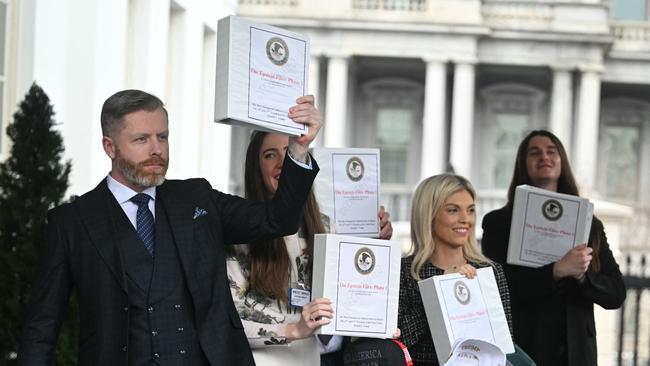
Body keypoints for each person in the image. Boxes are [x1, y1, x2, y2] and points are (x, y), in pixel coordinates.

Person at [17, 90, 322, 365]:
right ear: (110, 147)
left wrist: (298, 149)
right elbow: (42, 327)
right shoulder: (71, 222)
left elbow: (278, 219)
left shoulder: (197, 198)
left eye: (162, 137)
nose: (157, 150)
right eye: (141, 139)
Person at [226, 131, 394, 365]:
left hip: (318, 358)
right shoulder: (238, 230)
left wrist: (375, 247)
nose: (282, 163)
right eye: (269, 155)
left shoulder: (326, 225)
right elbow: (229, 318)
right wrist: (294, 329)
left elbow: (351, 292)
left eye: (289, 152)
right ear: (256, 168)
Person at [481, 130, 626, 366]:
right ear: (523, 163)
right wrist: (556, 270)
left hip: (576, 351)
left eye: (552, 151)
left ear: (562, 162)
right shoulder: (498, 223)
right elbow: (499, 289)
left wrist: (582, 276)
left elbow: (616, 294)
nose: (544, 157)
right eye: (534, 152)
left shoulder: (589, 223)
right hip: (527, 345)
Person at [398, 174, 512, 366]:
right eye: (453, 210)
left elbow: (503, 343)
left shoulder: (488, 271)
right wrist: (439, 294)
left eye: (471, 210)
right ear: (429, 215)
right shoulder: (404, 271)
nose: (465, 219)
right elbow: (397, 341)